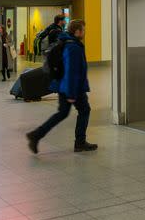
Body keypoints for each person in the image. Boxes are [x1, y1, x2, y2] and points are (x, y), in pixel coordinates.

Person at [26, 20, 97, 154]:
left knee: (62, 113)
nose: (84, 32)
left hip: (64, 85)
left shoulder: (67, 42)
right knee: (84, 110)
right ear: (77, 31)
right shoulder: (73, 47)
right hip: (72, 88)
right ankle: (80, 142)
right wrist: (71, 94)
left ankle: (36, 135)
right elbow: (71, 71)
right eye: (83, 30)